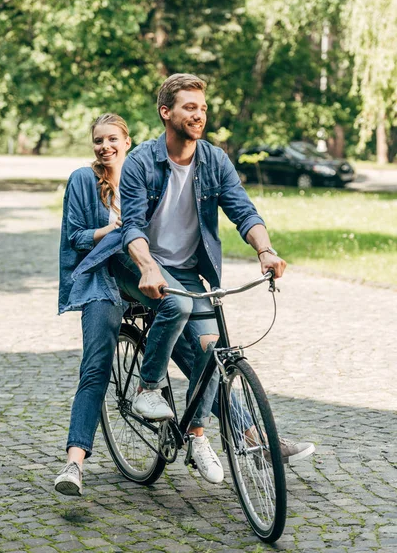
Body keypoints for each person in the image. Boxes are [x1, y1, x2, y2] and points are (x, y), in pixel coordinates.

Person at [104, 73, 314, 484]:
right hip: (137, 263)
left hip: (185, 270)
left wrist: (265, 249)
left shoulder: (214, 160)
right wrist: (148, 267)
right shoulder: (142, 163)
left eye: (202, 108)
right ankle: (148, 390)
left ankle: (202, 436)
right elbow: (130, 228)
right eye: (189, 107)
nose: (199, 115)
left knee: (210, 349)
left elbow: (244, 211)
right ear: (166, 113)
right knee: (178, 305)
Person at [55, 113, 132, 496]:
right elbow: (75, 237)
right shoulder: (84, 180)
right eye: (99, 140)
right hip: (102, 282)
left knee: (198, 352)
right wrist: (111, 230)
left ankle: (254, 436)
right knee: (96, 367)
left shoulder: (139, 179)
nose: (106, 147)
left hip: (142, 281)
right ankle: (74, 462)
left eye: (113, 139)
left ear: (127, 141)